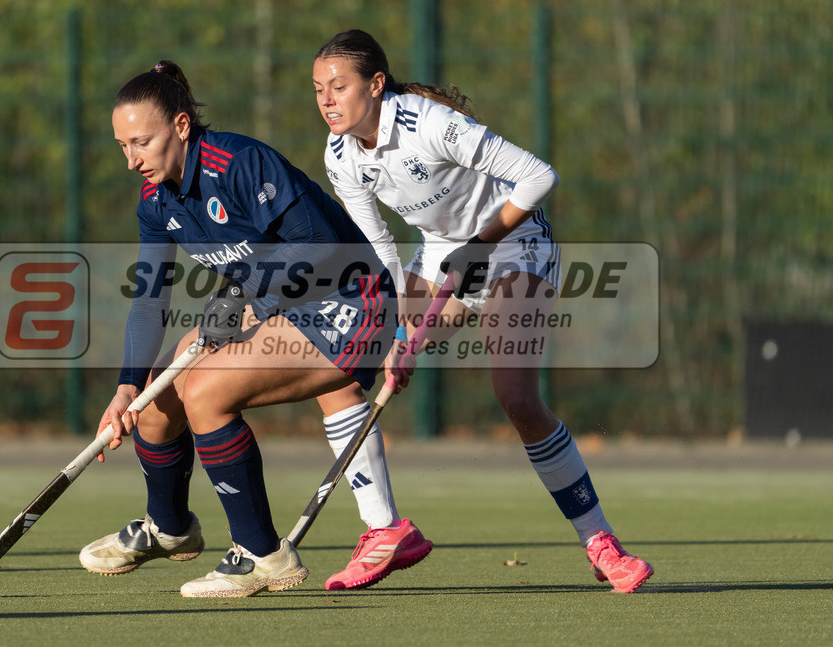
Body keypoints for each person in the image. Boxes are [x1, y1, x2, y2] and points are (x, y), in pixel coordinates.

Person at [311, 30, 654, 593]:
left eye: (339, 86)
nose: (327, 99)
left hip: (513, 239)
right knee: (357, 357)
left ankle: (601, 543)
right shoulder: (341, 154)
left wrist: (481, 244)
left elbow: (540, 175)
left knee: (516, 397)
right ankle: (386, 532)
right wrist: (398, 330)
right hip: (443, 249)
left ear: (375, 85)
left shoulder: (430, 125)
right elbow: (380, 251)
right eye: (319, 89)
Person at [78, 61, 431, 598]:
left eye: (140, 142)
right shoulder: (156, 202)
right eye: (122, 146)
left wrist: (247, 297)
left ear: (179, 126)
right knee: (155, 400)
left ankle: (263, 554)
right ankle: (169, 529)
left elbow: (319, 245)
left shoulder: (240, 162)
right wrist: (127, 383)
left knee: (205, 389)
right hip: (282, 308)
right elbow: (149, 298)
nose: (131, 160)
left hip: (354, 302)